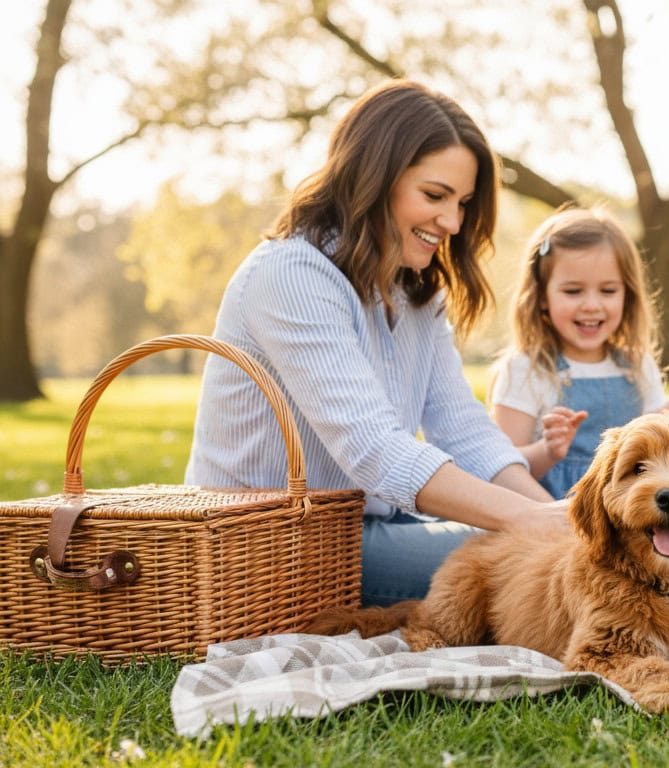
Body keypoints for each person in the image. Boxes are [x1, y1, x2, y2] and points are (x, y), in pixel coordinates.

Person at [185, 79, 564, 608]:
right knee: (528, 560)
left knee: (555, 548)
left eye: (462, 203)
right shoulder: (291, 275)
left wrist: (559, 517)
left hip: (365, 530)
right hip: (273, 545)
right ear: (374, 177)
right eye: (434, 196)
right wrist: (533, 525)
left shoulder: (415, 293)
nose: (452, 222)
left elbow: (463, 429)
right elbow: (374, 448)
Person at [489, 207, 664, 497]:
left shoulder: (637, 366)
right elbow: (500, 470)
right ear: (541, 296)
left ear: (627, 295)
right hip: (548, 517)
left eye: (608, 291)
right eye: (573, 291)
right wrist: (547, 451)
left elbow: (659, 452)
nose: (591, 305)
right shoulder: (526, 370)